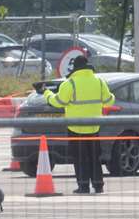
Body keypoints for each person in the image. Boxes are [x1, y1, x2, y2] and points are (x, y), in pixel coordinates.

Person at [45, 54, 115, 194]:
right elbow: (109, 101)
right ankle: (98, 185)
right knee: (95, 156)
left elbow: (59, 102)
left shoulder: (70, 83)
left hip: (75, 127)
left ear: (75, 68)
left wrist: (47, 94)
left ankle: (83, 186)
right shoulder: (99, 81)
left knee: (80, 157)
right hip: (94, 126)